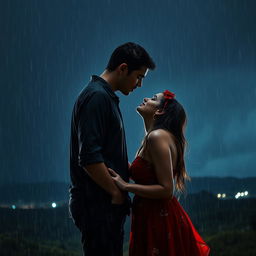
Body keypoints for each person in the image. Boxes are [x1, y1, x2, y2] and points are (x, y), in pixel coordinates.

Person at [69, 42, 155, 256]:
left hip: (102, 204)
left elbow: (104, 153)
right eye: (139, 76)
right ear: (123, 68)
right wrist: (115, 193)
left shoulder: (103, 97)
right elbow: (89, 157)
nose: (140, 84)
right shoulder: (97, 97)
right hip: (98, 204)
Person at [108, 90, 210, 255]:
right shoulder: (155, 137)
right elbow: (147, 175)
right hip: (152, 217)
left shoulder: (156, 137)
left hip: (160, 220)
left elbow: (166, 190)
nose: (146, 98)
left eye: (153, 99)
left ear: (160, 111)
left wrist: (126, 186)